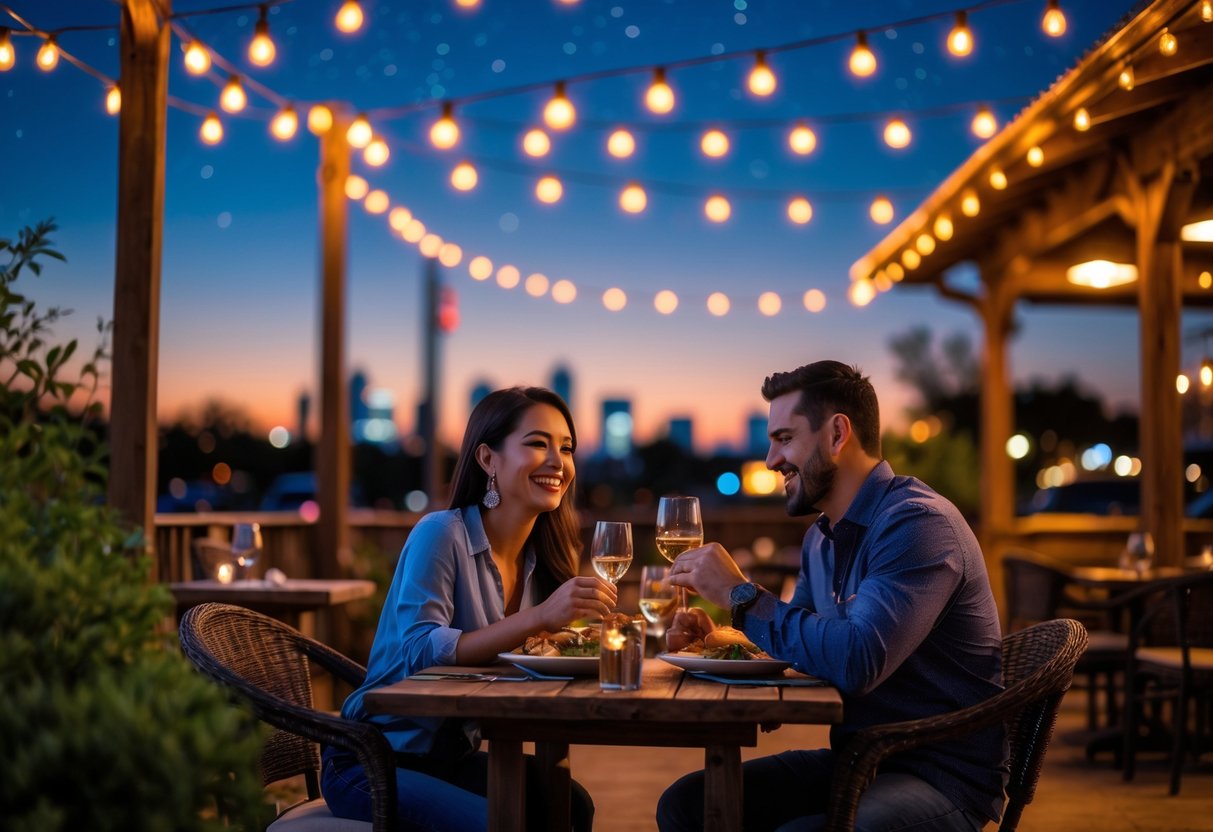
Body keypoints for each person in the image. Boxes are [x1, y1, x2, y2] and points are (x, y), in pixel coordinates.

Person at [659, 361, 1006, 832]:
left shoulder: (918, 525)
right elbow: (792, 644)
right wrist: (720, 638)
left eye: (784, 438)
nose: (769, 460)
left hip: (938, 775)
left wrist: (741, 596)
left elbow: (858, 659)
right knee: (687, 804)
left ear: (837, 434)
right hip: (861, 760)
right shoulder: (821, 540)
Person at [322, 386, 616, 831]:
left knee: (570, 805)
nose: (558, 461)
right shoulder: (441, 534)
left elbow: (536, 656)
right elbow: (421, 650)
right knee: (499, 822)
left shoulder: (545, 559)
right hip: (373, 760)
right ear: (487, 459)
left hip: (451, 757)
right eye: (538, 443)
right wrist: (538, 618)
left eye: (567, 447)